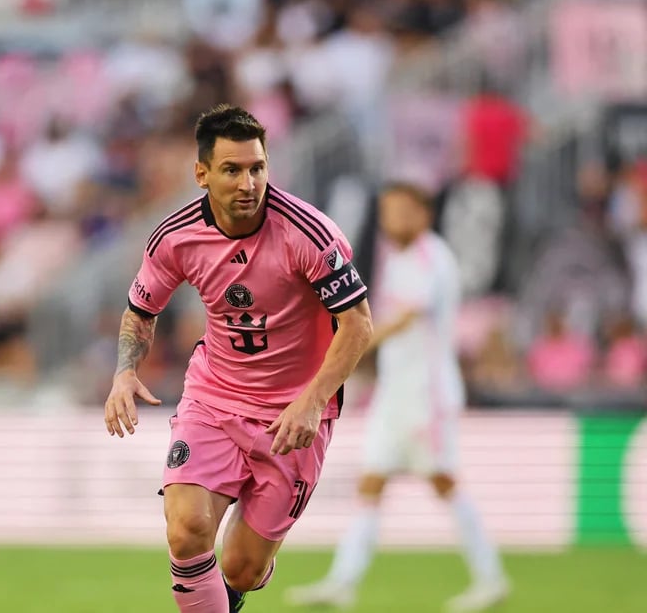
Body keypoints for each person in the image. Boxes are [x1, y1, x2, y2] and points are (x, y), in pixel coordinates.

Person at [104, 104, 374, 613]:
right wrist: (124, 372)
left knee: (241, 568)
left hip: (294, 415)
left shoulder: (309, 234)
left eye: (257, 168)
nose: (249, 183)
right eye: (232, 170)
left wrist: (313, 400)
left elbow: (358, 324)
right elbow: (140, 312)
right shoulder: (176, 237)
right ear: (202, 173)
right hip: (215, 398)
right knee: (187, 530)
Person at [285, 182, 508, 612]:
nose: (393, 220)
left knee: (444, 482)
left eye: (403, 211)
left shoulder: (429, 257)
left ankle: (490, 577)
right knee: (370, 484)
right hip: (396, 396)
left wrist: (346, 344)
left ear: (424, 214)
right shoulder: (402, 259)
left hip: (427, 396)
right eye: (387, 211)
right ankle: (342, 582)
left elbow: (400, 321)